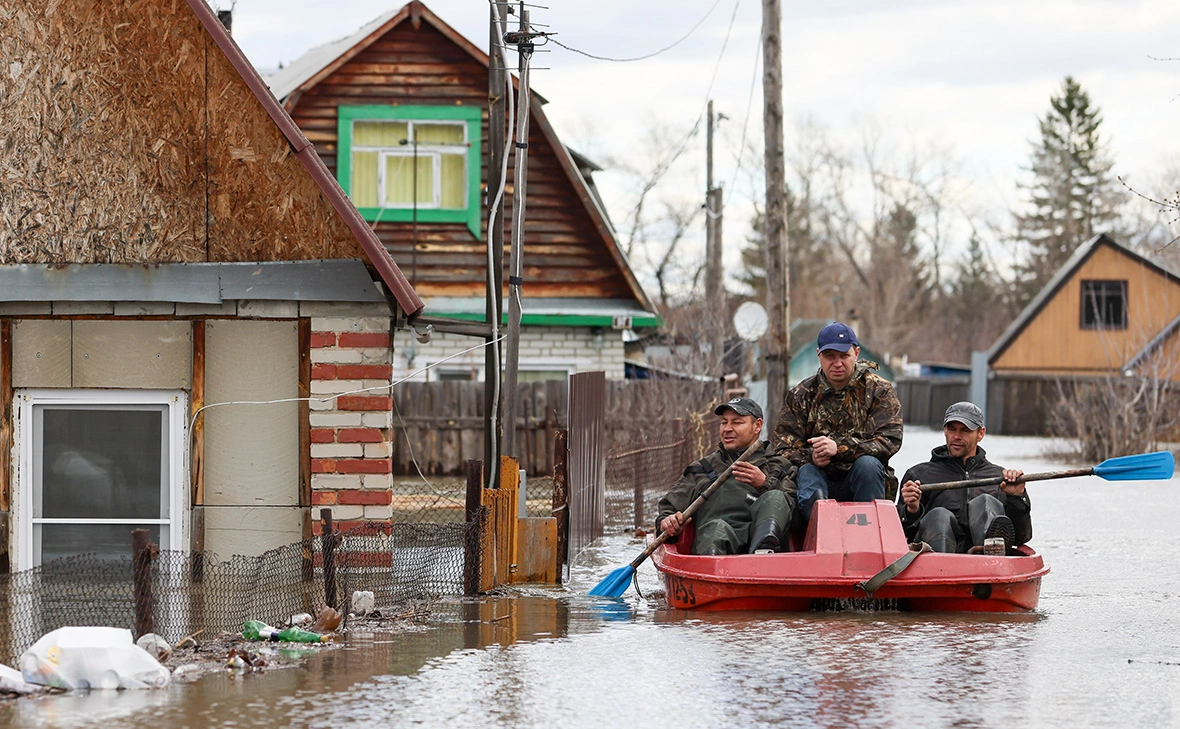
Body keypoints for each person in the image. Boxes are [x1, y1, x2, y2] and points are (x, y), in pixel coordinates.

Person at [774, 322, 903, 525]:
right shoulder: (801, 395)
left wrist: (840, 449)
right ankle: (818, 532)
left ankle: (869, 536)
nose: (837, 363)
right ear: (818, 355)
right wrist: (813, 456)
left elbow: (889, 440)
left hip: (863, 480)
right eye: (830, 356)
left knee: (868, 465)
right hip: (818, 478)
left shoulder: (878, 390)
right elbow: (782, 446)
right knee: (807, 471)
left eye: (844, 356)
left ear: (856, 353)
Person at [657, 398, 797, 555]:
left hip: (768, 560)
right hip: (715, 553)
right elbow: (667, 510)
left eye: (737, 422)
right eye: (724, 422)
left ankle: (763, 552)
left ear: (757, 426)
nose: (727, 429)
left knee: (776, 497)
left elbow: (798, 519)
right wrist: (667, 522)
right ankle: (711, 573)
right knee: (715, 529)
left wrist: (764, 484)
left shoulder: (780, 466)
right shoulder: (702, 469)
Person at [898, 401, 1032, 554]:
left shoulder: (999, 478)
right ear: (944, 430)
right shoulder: (918, 476)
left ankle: (990, 552)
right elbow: (900, 537)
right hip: (937, 561)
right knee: (939, 515)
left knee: (986, 502)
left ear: (980, 434)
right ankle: (942, 568)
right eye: (951, 429)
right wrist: (912, 510)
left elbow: (1022, 538)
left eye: (965, 431)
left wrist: (1017, 498)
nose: (956, 436)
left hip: (986, 564)